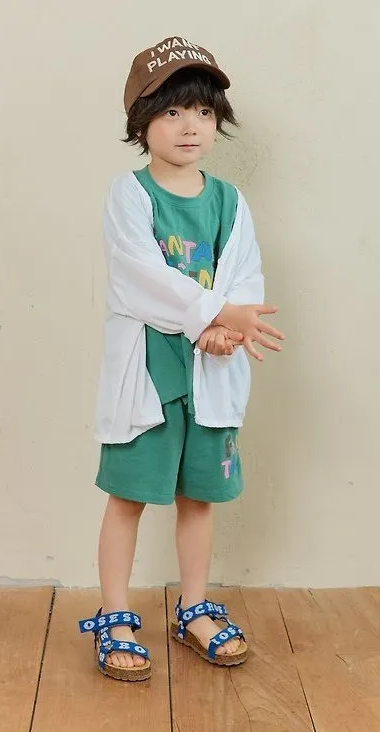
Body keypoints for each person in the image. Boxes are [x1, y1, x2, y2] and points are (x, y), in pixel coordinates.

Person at [78, 36, 284, 682]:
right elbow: (139, 278)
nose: (189, 125)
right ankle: (115, 614)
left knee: (200, 497)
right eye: (171, 112)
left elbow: (244, 274)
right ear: (141, 122)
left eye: (201, 111)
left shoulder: (230, 202)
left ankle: (193, 607)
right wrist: (213, 317)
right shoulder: (130, 195)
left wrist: (226, 329)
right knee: (128, 497)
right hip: (152, 372)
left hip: (212, 371)